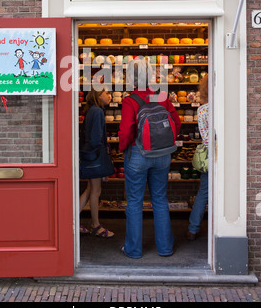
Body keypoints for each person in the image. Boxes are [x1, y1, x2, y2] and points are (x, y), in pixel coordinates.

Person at [118, 58, 181, 258]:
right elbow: (176, 123)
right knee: (160, 200)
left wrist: (123, 148)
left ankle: (134, 250)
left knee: (135, 202)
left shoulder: (130, 100)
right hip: (162, 155)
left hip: (137, 154)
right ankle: (165, 248)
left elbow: (126, 131)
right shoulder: (161, 97)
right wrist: (165, 143)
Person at [79, 87, 114, 238]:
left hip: (88, 154)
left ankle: (71, 220)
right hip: (95, 156)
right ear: (98, 96)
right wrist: (102, 152)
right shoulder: (98, 111)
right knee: (96, 191)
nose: (109, 96)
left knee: (89, 189)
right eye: (106, 93)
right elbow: (95, 138)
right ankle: (96, 226)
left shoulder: (90, 110)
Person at [187, 74, 209, 240]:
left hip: (208, 157)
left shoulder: (201, 110)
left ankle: (192, 230)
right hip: (224, 156)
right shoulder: (224, 107)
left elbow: (204, 136)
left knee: (203, 192)